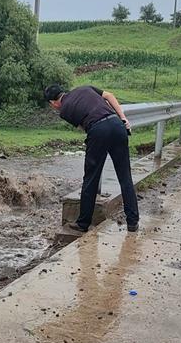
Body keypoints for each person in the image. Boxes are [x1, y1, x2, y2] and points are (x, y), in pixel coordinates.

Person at [44, 84, 139, 232]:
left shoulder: (64, 111)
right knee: (125, 176)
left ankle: (83, 223)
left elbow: (85, 127)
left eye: (52, 105)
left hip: (98, 130)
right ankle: (132, 222)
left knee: (91, 178)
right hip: (117, 124)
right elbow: (109, 96)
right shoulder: (85, 88)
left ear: (53, 103)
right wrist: (123, 118)